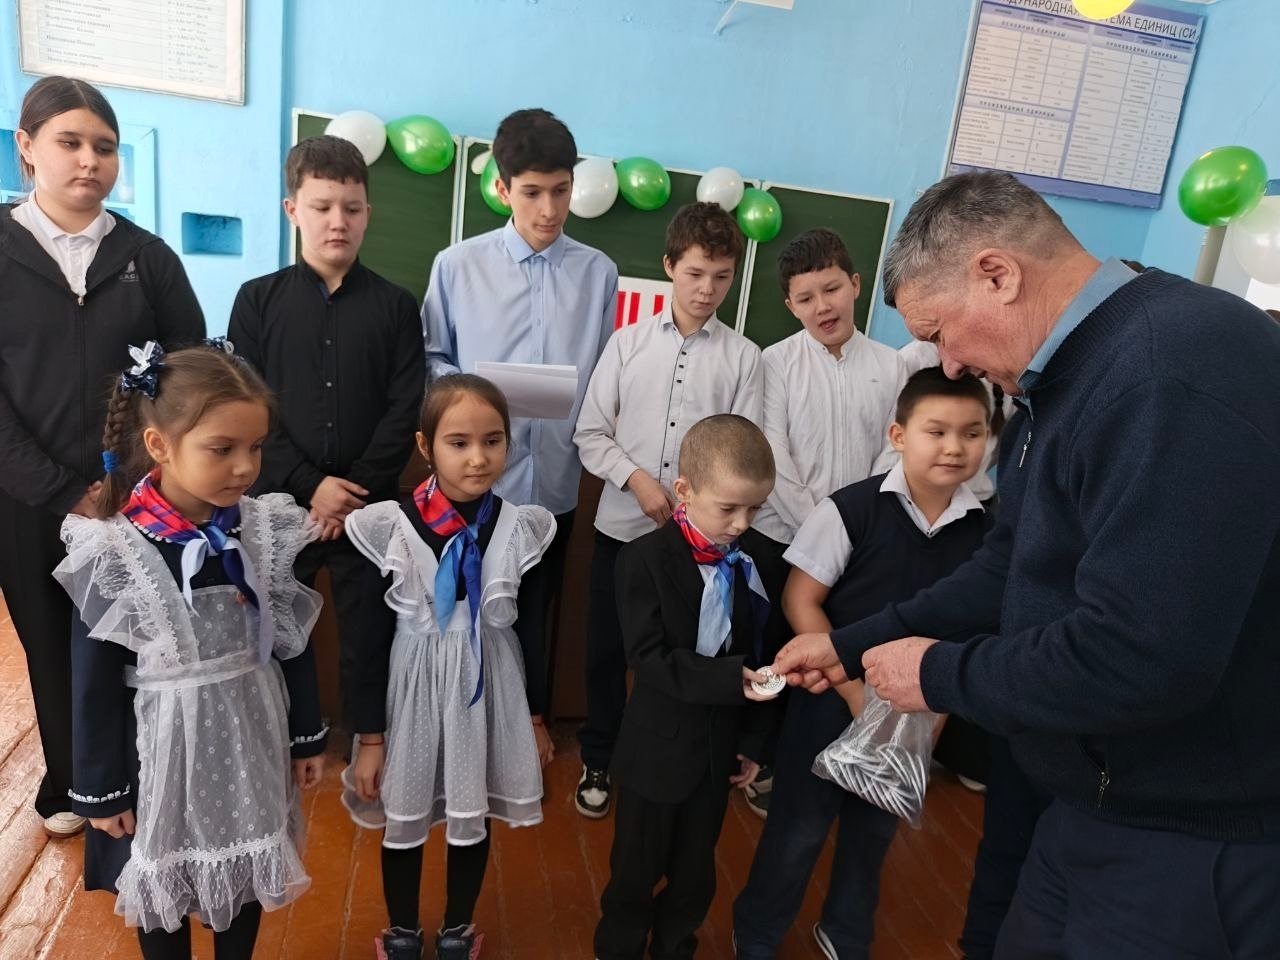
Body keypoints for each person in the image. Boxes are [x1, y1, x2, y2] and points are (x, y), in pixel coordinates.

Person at [774, 170, 1280, 957]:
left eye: (940, 332)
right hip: (1087, 801)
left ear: (997, 275)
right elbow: (1007, 565)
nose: (946, 366)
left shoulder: (1170, 370)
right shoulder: (1063, 381)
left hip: (1189, 831)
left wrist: (938, 673)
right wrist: (850, 642)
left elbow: (1142, 655)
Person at [55, 342, 326, 960]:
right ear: (159, 445)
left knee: (247, 868)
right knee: (165, 883)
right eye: (222, 449)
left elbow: (289, 639)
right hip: (160, 751)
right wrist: (102, 789)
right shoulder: (114, 550)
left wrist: (306, 736)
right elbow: (92, 680)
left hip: (251, 736)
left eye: (256, 447)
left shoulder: (262, 530)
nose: (245, 467)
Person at [0, 76, 204, 838]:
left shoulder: (147, 258)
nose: (90, 160)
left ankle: (137, 777)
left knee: (134, 639)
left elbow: (189, 373)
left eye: (105, 147)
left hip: (135, 499)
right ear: (27, 148)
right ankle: (72, 783)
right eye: (71, 142)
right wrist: (62, 490)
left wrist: (145, 477)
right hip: (26, 500)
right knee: (51, 646)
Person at [733, 367, 992, 960]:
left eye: (972, 433)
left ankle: (845, 932)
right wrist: (856, 692)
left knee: (874, 832)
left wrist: (933, 710)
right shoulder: (852, 509)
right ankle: (758, 931)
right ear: (898, 435)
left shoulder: (986, 531)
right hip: (831, 698)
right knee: (799, 828)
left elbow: (969, 628)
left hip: (918, 709)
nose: (954, 447)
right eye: (936, 431)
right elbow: (801, 599)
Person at [341, 374, 557, 960]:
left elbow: (533, 633)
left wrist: (537, 718)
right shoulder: (389, 526)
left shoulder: (521, 527)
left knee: (473, 809)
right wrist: (370, 737)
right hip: (411, 692)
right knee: (404, 816)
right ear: (425, 445)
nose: (478, 458)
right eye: (459, 443)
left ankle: (458, 927)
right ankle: (402, 931)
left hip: (489, 689)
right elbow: (365, 642)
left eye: (493, 440)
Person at [422, 108, 619, 714]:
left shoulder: (598, 273)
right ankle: (459, 719)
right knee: (465, 610)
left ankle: (524, 723)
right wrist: (475, 401)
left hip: (554, 480)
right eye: (532, 192)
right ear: (503, 189)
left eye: (561, 191)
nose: (549, 209)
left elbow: (601, 371)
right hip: (474, 481)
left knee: (535, 612)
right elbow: (432, 358)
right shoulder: (457, 265)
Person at [572, 201, 762, 819]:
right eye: (695, 273)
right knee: (608, 652)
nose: (707, 289)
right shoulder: (626, 343)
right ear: (669, 267)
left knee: (680, 658)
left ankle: (671, 761)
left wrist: (693, 508)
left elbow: (741, 450)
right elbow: (590, 432)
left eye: (722, 277)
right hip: (622, 530)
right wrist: (639, 483)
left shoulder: (744, 358)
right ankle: (599, 758)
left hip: (698, 548)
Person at [228, 134, 423, 730]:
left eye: (352, 208)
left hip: (370, 507)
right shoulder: (256, 301)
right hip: (280, 502)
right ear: (293, 209)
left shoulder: (397, 306)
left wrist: (351, 492)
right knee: (275, 628)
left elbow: (404, 408)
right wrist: (313, 486)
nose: (338, 221)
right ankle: (288, 738)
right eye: (322, 207)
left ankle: (369, 738)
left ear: (368, 214)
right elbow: (246, 407)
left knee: (370, 631)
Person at [594, 415, 789, 960]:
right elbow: (648, 657)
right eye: (728, 508)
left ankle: (675, 946)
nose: (741, 524)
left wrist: (754, 742)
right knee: (634, 873)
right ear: (684, 490)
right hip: (654, 753)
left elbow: (764, 653)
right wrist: (731, 680)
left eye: (755, 509)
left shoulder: (759, 561)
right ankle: (618, 950)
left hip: (717, 753)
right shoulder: (642, 560)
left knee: (694, 874)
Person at [746, 227, 904, 817]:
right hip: (782, 540)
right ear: (791, 306)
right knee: (779, 655)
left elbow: (894, 451)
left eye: (832, 289)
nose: (823, 307)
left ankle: (837, 762)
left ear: (856, 285)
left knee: (842, 656)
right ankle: (762, 764)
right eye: (806, 298)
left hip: (863, 545)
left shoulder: (891, 366)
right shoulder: (774, 363)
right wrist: (824, 527)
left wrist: (855, 528)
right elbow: (773, 453)